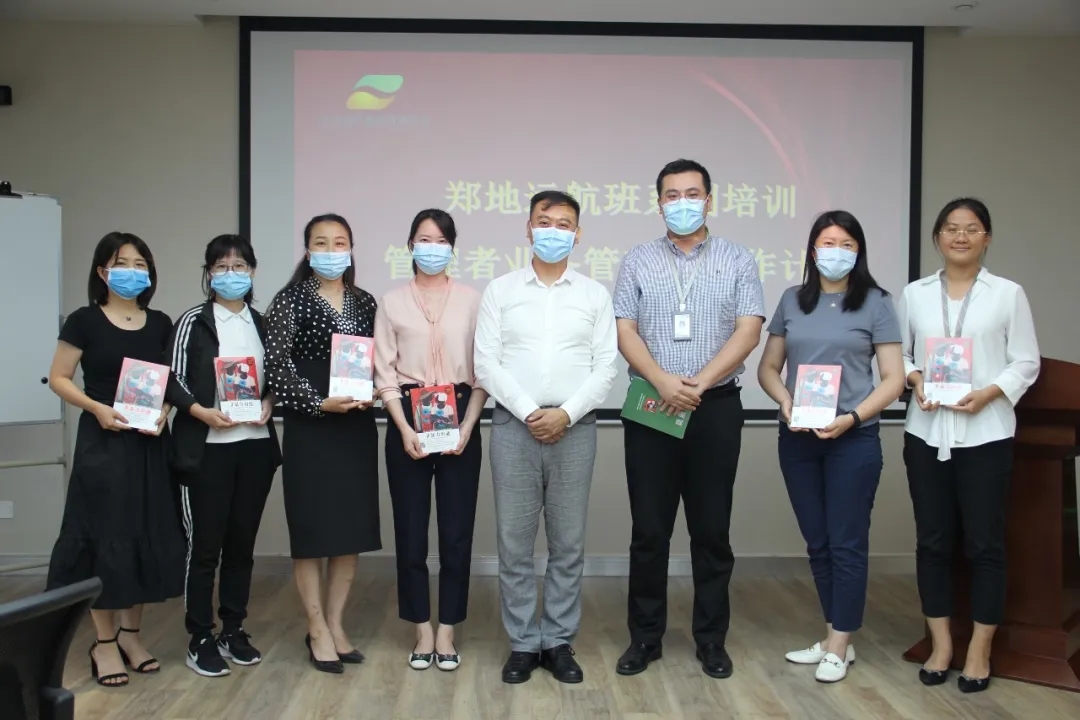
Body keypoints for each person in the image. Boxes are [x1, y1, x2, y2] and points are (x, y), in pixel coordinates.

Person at [612, 158, 765, 679]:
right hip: (651, 404)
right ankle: (644, 638)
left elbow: (749, 329)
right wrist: (661, 380)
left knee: (712, 530)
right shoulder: (637, 260)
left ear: (709, 200)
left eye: (692, 194)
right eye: (672, 195)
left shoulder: (737, 258)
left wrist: (699, 382)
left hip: (714, 406)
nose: (683, 203)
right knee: (649, 531)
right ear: (659, 204)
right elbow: (625, 329)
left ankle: (711, 640)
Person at [474, 190, 617, 685]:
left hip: (575, 429)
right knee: (513, 544)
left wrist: (566, 414)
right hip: (514, 427)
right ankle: (522, 643)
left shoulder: (594, 295)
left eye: (564, 224)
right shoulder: (501, 291)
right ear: (528, 228)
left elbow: (606, 368)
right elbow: (486, 363)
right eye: (544, 221)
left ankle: (557, 641)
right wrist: (533, 412)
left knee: (568, 543)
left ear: (577, 235)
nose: (553, 230)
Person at [897, 198, 1040, 693]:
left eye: (972, 229)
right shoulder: (914, 294)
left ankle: (979, 650)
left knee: (984, 545)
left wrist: (991, 392)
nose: (961, 237)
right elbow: (899, 355)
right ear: (937, 237)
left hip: (986, 434)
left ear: (987, 237)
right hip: (926, 432)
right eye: (951, 228)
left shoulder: (1008, 294)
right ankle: (941, 646)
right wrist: (915, 378)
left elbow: (1026, 361)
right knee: (932, 542)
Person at [757, 210, 905, 683]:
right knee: (818, 542)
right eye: (826, 242)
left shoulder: (877, 303)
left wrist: (853, 418)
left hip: (852, 439)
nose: (835, 252)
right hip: (798, 437)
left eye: (845, 244)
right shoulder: (792, 299)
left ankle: (840, 642)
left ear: (858, 252)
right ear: (812, 249)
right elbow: (768, 368)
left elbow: (894, 379)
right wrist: (784, 402)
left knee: (847, 542)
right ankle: (832, 636)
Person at [44, 232, 185, 687]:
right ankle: (103, 642)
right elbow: (59, 377)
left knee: (142, 533)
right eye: (122, 263)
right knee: (105, 538)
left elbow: (169, 381)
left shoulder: (160, 323)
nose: (132, 271)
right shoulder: (84, 320)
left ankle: (131, 635)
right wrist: (96, 408)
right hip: (103, 441)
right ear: (103, 272)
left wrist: (165, 412)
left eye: (140, 263)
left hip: (149, 444)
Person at [264, 213, 380, 674]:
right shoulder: (289, 299)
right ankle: (315, 628)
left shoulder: (365, 301)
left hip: (355, 428)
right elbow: (277, 367)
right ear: (307, 249)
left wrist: (378, 388)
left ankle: (335, 623)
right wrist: (317, 402)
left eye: (340, 243)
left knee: (349, 531)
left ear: (351, 248)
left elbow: (378, 360)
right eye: (321, 243)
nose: (332, 251)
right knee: (312, 532)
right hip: (311, 426)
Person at [373, 209, 487, 672]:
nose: (432, 248)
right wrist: (403, 428)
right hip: (408, 414)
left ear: (452, 248)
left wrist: (468, 426)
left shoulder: (474, 300)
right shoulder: (391, 301)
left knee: (457, 533)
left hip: (460, 413)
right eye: (424, 239)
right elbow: (384, 372)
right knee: (410, 531)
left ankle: (448, 630)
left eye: (441, 241)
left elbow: (483, 371)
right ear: (410, 246)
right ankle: (421, 628)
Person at [166, 234, 281, 677]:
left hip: (254, 447)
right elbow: (172, 377)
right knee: (204, 548)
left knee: (241, 546)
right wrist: (200, 412)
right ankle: (200, 635)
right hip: (205, 451)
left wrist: (269, 401)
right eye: (221, 266)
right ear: (209, 272)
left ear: (252, 271)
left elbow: (278, 376)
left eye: (239, 266)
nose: (230, 274)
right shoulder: (193, 322)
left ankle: (233, 629)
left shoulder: (263, 323)